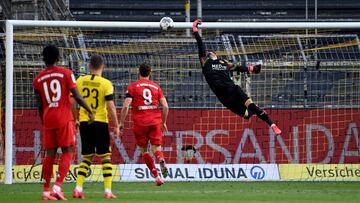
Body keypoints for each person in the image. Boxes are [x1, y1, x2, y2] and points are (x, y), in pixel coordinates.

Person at [192, 19, 281, 135]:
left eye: (212, 52)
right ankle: (255, 112)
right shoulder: (205, 63)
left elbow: (237, 67)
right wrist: (195, 31)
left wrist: (252, 69)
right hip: (224, 97)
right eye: (209, 53)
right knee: (247, 115)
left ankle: (272, 124)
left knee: (252, 106)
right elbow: (201, 46)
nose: (210, 53)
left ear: (216, 55)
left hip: (232, 90)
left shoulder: (223, 62)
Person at [33, 45, 94, 201]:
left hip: (48, 119)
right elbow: (77, 96)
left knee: (50, 155)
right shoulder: (66, 73)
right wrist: (89, 110)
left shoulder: (38, 79)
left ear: (43, 58)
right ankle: (57, 187)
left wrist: (43, 120)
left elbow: (39, 104)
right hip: (63, 117)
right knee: (69, 151)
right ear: (58, 58)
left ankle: (46, 191)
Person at [72, 54, 120, 199]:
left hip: (85, 122)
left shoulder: (80, 80)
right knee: (105, 157)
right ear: (102, 67)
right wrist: (117, 125)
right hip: (100, 122)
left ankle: (78, 188)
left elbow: (73, 102)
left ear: (89, 66)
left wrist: (76, 118)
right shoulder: (106, 83)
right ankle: (107, 191)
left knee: (87, 157)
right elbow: (111, 107)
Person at [119, 62, 169, 186]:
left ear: (138, 72)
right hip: (155, 121)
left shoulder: (133, 86)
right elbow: (165, 106)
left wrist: (121, 123)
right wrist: (164, 122)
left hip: (140, 122)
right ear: (150, 72)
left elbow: (126, 106)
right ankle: (160, 159)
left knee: (144, 151)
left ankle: (157, 177)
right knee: (157, 148)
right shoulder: (156, 87)